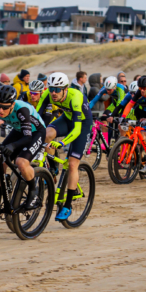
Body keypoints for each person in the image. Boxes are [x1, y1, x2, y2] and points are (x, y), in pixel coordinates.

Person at [36, 72, 93, 221]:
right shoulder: (48, 94)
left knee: (73, 164)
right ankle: (53, 167)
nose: (53, 92)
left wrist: (62, 143)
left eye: (57, 89)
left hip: (82, 124)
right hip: (66, 118)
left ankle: (67, 206)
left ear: (65, 89)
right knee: (47, 134)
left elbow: (76, 130)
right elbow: (36, 117)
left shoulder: (75, 97)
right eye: (51, 88)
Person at [0, 85, 46, 209]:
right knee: (0, 160)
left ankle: (33, 192)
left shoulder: (22, 109)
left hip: (35, 132)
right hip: (18, 130)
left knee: (21, 162)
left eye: (5, 107)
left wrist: (12, 146)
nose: (0, 110)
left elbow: (27, 137)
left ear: (12, 104)